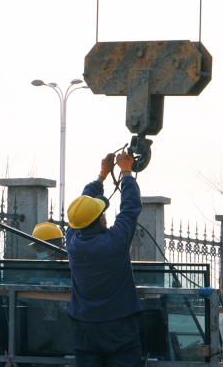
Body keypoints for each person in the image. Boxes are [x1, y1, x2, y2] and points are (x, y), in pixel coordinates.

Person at [65, 151, 143, 367]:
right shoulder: (115, 242)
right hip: (120, 326)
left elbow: (80, 211)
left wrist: (102, 175)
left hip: (84, 328)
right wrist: (126, 172)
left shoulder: (72, 242)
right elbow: (130, 208)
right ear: (101, 220)